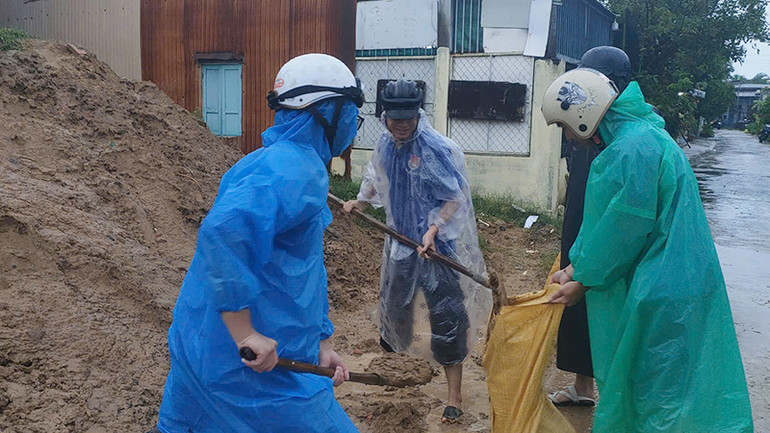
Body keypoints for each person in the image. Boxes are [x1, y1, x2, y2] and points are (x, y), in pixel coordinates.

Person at [151, 53, 364, 433]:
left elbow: (303, 268)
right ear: (326, 111)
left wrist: (321, 342)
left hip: (202, 341)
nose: (352, 125)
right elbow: (223, 232)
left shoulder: (268, 161)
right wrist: (245, 334)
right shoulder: (294, 169)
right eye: (350, 112)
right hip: (244, 367)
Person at [542, 66, 753, 431]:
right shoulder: (644, 135)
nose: (566, 135)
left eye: (562, 125)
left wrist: (584, 281)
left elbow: (625, 229)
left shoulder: (630, 150)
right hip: (679, 280)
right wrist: (577, 266)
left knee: (656, 398)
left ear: (581, 117)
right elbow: (607, 222)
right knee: (668, 391)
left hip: (662, 291)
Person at [342, 79, 490, 424]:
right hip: (400, 245)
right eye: (396, 118)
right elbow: (376, 177)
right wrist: (361, 202)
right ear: (384, 115)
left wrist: (434, 228)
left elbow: (453, 196)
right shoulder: (384, 143)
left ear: (418, 113)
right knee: (395, 313)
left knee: (447, 316)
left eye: (408, 117)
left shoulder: (434, 147)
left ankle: (453, 395)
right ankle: (400, 378)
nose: (403, 124)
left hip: (435, 247)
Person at [549, 46, 634, 408]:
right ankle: (583, 386)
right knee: (577, 309)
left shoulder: (627, 137)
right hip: (582, 226)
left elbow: (626, 219)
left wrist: (587, 264)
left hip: (610, 236)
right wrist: (576, 259)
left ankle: (618, 398)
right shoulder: (587, 123)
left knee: (613, 307)